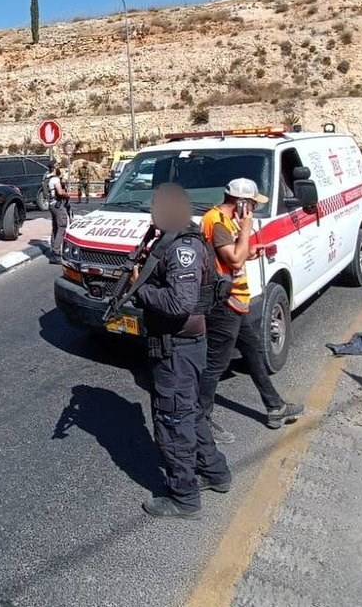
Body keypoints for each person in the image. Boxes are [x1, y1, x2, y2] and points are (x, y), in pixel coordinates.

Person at [130, 183, 231, 520]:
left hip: (178, 349)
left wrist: (139, 290)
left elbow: (179, 303)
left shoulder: (182, 249)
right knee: (191, 412)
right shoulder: (179, 240)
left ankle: (184, 496)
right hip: (186, 346)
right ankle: (215, 472)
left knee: (173, 419)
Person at [199, 180, 303, 439]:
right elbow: (233, 258)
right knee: (215, 365)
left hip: (237, 301)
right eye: (253, 204)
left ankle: (274, 406)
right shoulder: (218, 221)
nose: (254, 210)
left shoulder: (225, 220)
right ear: (241, 202)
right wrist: (246, 230)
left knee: (254, 351)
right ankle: (201, 422)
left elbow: (234, 255)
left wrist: (248, 250)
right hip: (225, 303)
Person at [44, 159, 70, 263]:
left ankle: (53, 249)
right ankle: (56, 252)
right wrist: (66, 194)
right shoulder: (55, 179)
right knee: (62, 227)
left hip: (51, 205)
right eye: (57, 165)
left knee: (55, 227)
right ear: (54, 167)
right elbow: (59, 192)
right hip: (57, 205)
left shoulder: (46, 177)